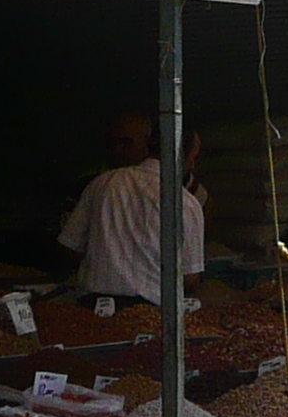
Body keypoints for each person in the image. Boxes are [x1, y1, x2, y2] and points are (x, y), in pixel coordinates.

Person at [57, 112, 204, 305]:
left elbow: (68, 246)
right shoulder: (185, 202)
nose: (193, 164)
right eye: (193, 157)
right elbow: (189, 279)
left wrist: (106, 260)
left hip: (93, 307)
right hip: (152, 313)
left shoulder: (103, 183)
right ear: (181, 154)